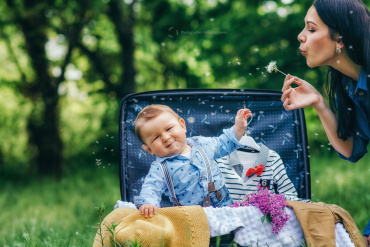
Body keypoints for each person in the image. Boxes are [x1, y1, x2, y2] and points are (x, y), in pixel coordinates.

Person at [280, 0, 369, 244]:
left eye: (310, 28)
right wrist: (318, 102)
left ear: (340, 39)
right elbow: (352, 148)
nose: (300, 36)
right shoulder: (350, 86)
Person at [133, 104, 252, 217]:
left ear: (182, 125)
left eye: (169, 129)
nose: (165, 137)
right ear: (149, 149)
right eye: (156, 137)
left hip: (224, 205)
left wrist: (238, 128)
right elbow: (151, 187)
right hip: (190, 216)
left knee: (234, 233)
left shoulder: (201, 144)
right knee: (198, 237)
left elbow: (223, 143)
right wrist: (148, 203)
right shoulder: (160, 167)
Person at [216, 135, 300, 201]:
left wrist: (274, 204)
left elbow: (290, 195)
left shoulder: (272, 158)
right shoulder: (219, 159)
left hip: (262, 222)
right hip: (229, 222)